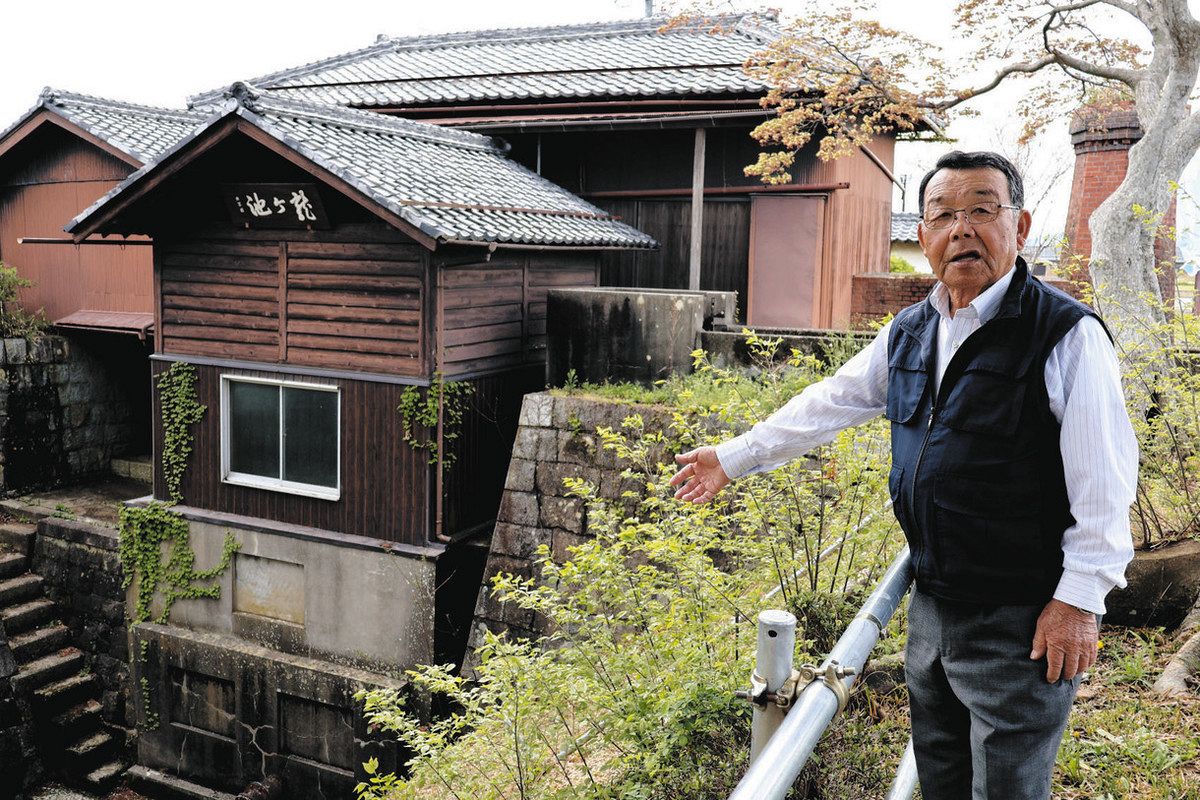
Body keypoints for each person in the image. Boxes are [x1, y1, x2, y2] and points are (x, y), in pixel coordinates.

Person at [669, 150, 1137, 800]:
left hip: (1020, 619)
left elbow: (1106, 482)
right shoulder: (911, 331)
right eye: (944, 215)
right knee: (940, 769)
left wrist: (1080, 600)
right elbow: (830, 401)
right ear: (922, 237)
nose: (962, 229)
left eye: (982, 210)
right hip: (932, 606)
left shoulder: (1064, 335)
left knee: (1007, 785)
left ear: (1021, 226)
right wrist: (735, 455)